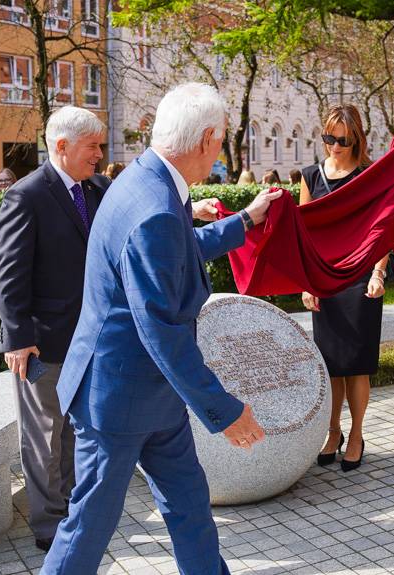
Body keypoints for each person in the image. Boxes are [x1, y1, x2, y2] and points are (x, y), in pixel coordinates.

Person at [42, 83, 281, 575]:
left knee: (191, 508)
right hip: (119, 401)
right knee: (88, 527)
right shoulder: (154, 207)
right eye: (222, 140)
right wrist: (225, 410)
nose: (221, 149)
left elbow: (177, 251)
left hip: (153, 396)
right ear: (207, 138)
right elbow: (162, 330)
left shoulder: (146, 180)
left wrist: (243, 221)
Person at [0, 106, 112, 552]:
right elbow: (9, 273)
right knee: (45, 435)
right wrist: (18, 338)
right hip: (43, 343)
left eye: (100, 146)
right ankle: (48, 524)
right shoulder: (26, 195)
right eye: (93, 146)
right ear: (61, 146)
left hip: (92, 338)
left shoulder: (99, 188)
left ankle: (73, 508)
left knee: (78, 430)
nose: (100, 154)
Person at [300, 104, 389, 473]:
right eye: (329, 138)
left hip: (361, 278)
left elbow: (382, 229)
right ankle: (333, 432)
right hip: (324, 279)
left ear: (356, 140)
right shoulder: (310, 176)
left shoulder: (369, 176)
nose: (334, 146)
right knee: (332, 365)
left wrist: (379, 273)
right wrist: (308, 282)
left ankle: (356, 435)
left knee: (357, 366)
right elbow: (304, 235)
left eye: (342, 140)